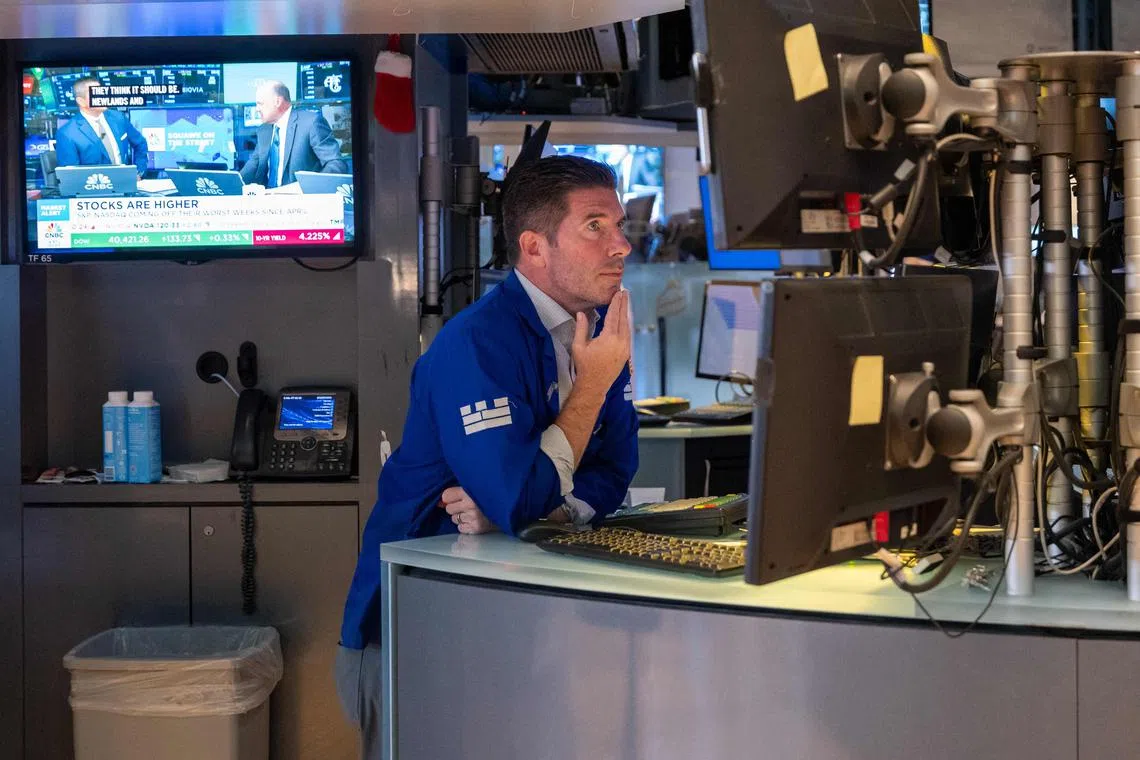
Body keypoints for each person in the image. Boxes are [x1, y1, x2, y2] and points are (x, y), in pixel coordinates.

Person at [335, 156, 638, 758]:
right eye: (595, 226)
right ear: (534, 247)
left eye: (620, 225)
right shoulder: (476, 343)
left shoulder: (601, 328)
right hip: (414, 624)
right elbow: (521, 495)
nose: (622, 245)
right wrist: (591, 390)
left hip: (515, 615)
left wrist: (542, 513)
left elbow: (617, 468)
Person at [240, 80, 347, 188]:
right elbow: (253, 166)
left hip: (300, 201)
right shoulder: (264, 130)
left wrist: (310, 188)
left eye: (260, 104)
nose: (257, 109)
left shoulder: (311, 122)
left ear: (277, 102)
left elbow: (336, 163)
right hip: (267, 200)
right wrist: (232, 185)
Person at [54, 76, 150, 175]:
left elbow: (140, 143)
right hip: (93, 188)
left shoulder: (118, 118)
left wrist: (139, 172)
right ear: (81, 101)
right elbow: (71, 176)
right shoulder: (67, 133)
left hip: (126, 186)